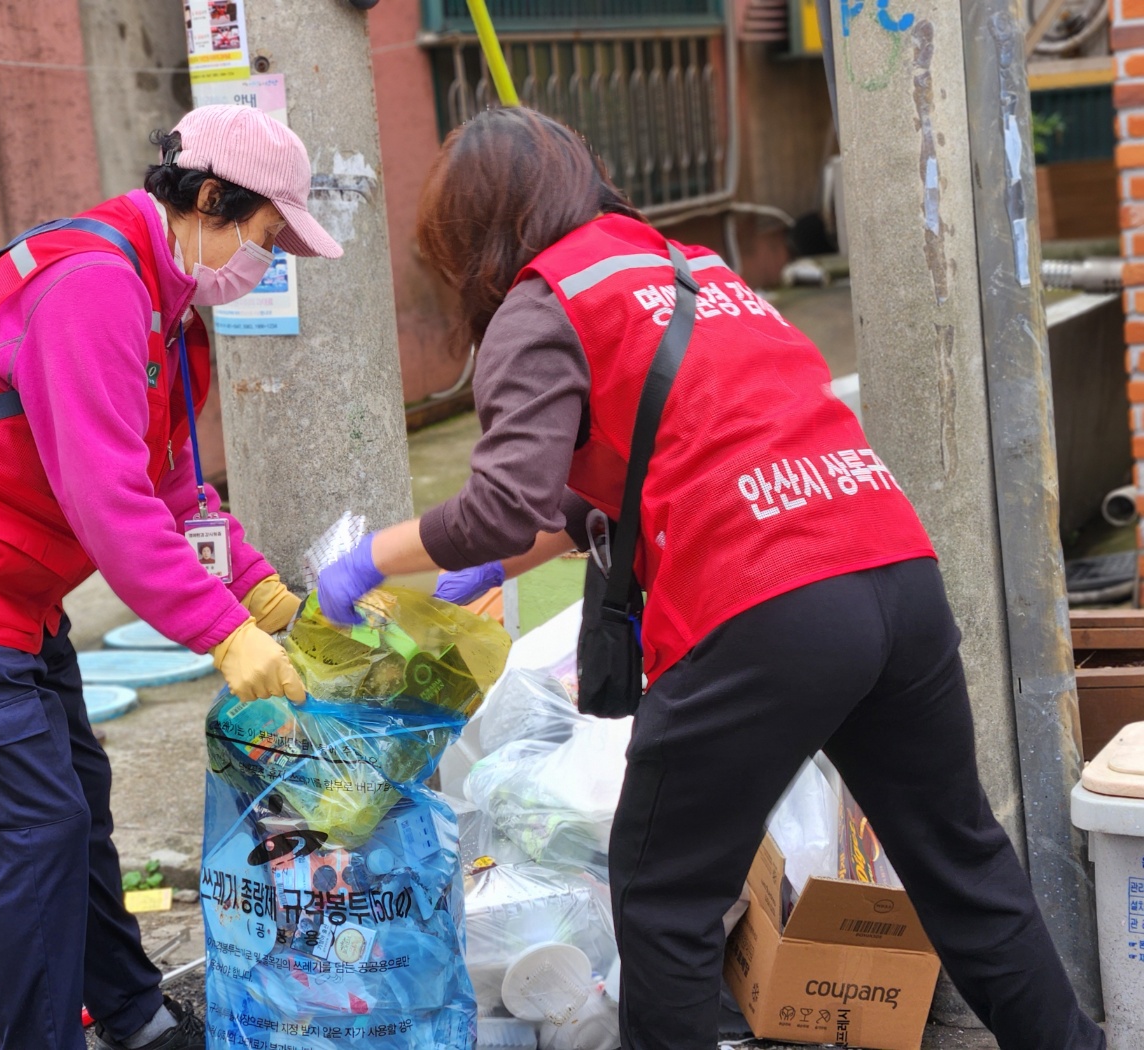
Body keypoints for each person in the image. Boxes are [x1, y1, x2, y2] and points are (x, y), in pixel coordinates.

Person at [315, 108, 1105, 1050]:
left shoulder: (544, 299)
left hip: (765, 604)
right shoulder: (690, 268)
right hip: (891, 566)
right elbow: (628, 482)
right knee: (962, 866)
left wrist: (374, 557)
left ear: (473, 234)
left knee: (663, 901)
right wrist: (492, 562)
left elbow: (500, 501)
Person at [0, 105, 339, 1050]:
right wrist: (222, 635)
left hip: (13, 582)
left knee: (76, 797)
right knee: (29, 837)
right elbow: (113, 505)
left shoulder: (165, 305)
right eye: (267, 238)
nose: (266, 265)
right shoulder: (95, 289)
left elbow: (176, 488)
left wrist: (261, 592)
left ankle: (130, 1013)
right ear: (213, 199)